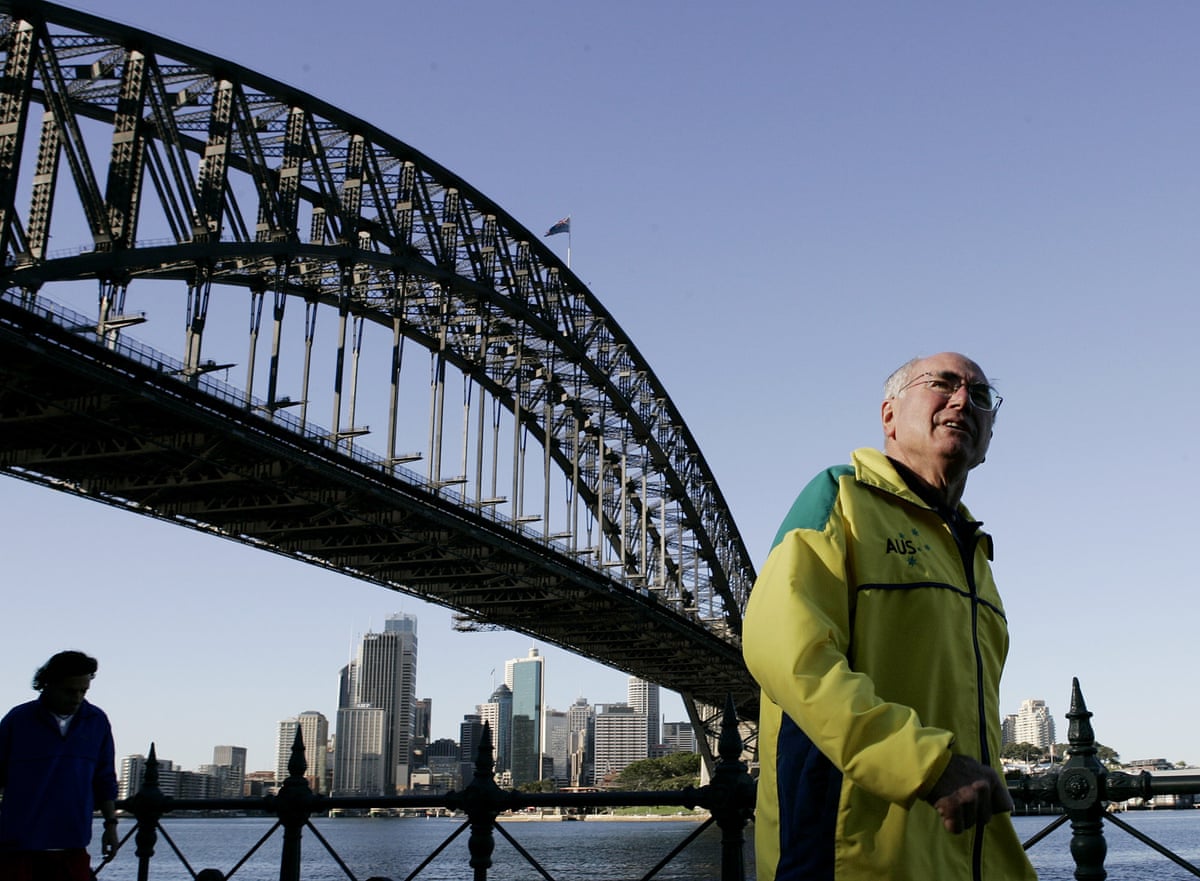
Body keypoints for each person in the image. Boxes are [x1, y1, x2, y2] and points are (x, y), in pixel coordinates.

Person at [742, 352, 1037, 881]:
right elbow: (784, 653)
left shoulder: (974, 554)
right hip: (850, 860)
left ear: (989, 436)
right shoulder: (840, 500)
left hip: (962, 855)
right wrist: (927, 763)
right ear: (889, 416)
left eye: (982, 395)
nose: (964, 399)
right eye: (942, 383)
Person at [0, 650, 119, 880]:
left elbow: (104, 778)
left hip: (72, 843)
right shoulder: (18, 720)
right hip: (18, 847)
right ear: (48, 685)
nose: (76, 698)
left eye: (83, 691)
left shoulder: (97, 721)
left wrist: (111, 825)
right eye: (69, 691)